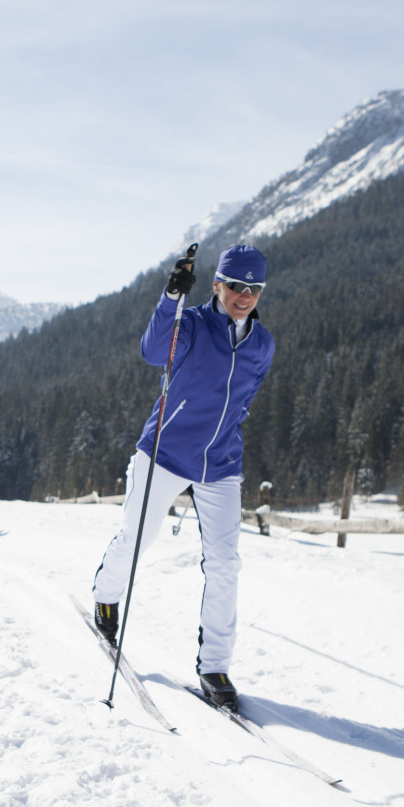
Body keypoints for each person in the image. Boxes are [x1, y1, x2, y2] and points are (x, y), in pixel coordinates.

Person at [91, 244, 275, 706]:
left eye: (254, 288)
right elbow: (153, 352)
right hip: (165, 452)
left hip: (221, 464)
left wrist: (229, 431)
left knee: (225, 564)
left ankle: (214, 666)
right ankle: (106, 593)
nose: (244, 295)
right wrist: (170, 297)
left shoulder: (262, 344)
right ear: (218, 284)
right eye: (236, 286)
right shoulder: (190, 324)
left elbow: (247, 394)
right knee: (137, 536)